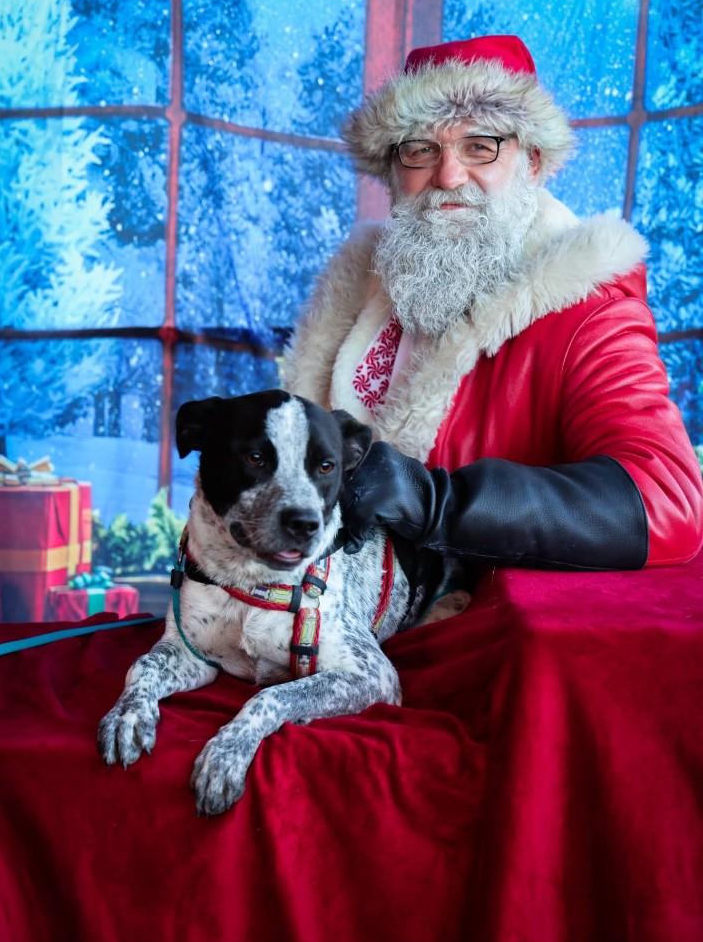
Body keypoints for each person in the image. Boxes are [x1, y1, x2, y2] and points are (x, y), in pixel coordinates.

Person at [284, 34, 703, 571]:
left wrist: (438, 504)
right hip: (324, 613)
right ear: (393, 171)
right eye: (420, 149)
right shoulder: (356, 293)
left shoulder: (589, 308)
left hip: (468, 626)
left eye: (480, 146)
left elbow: (666, 501)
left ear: (531, 161)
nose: (449, 176)